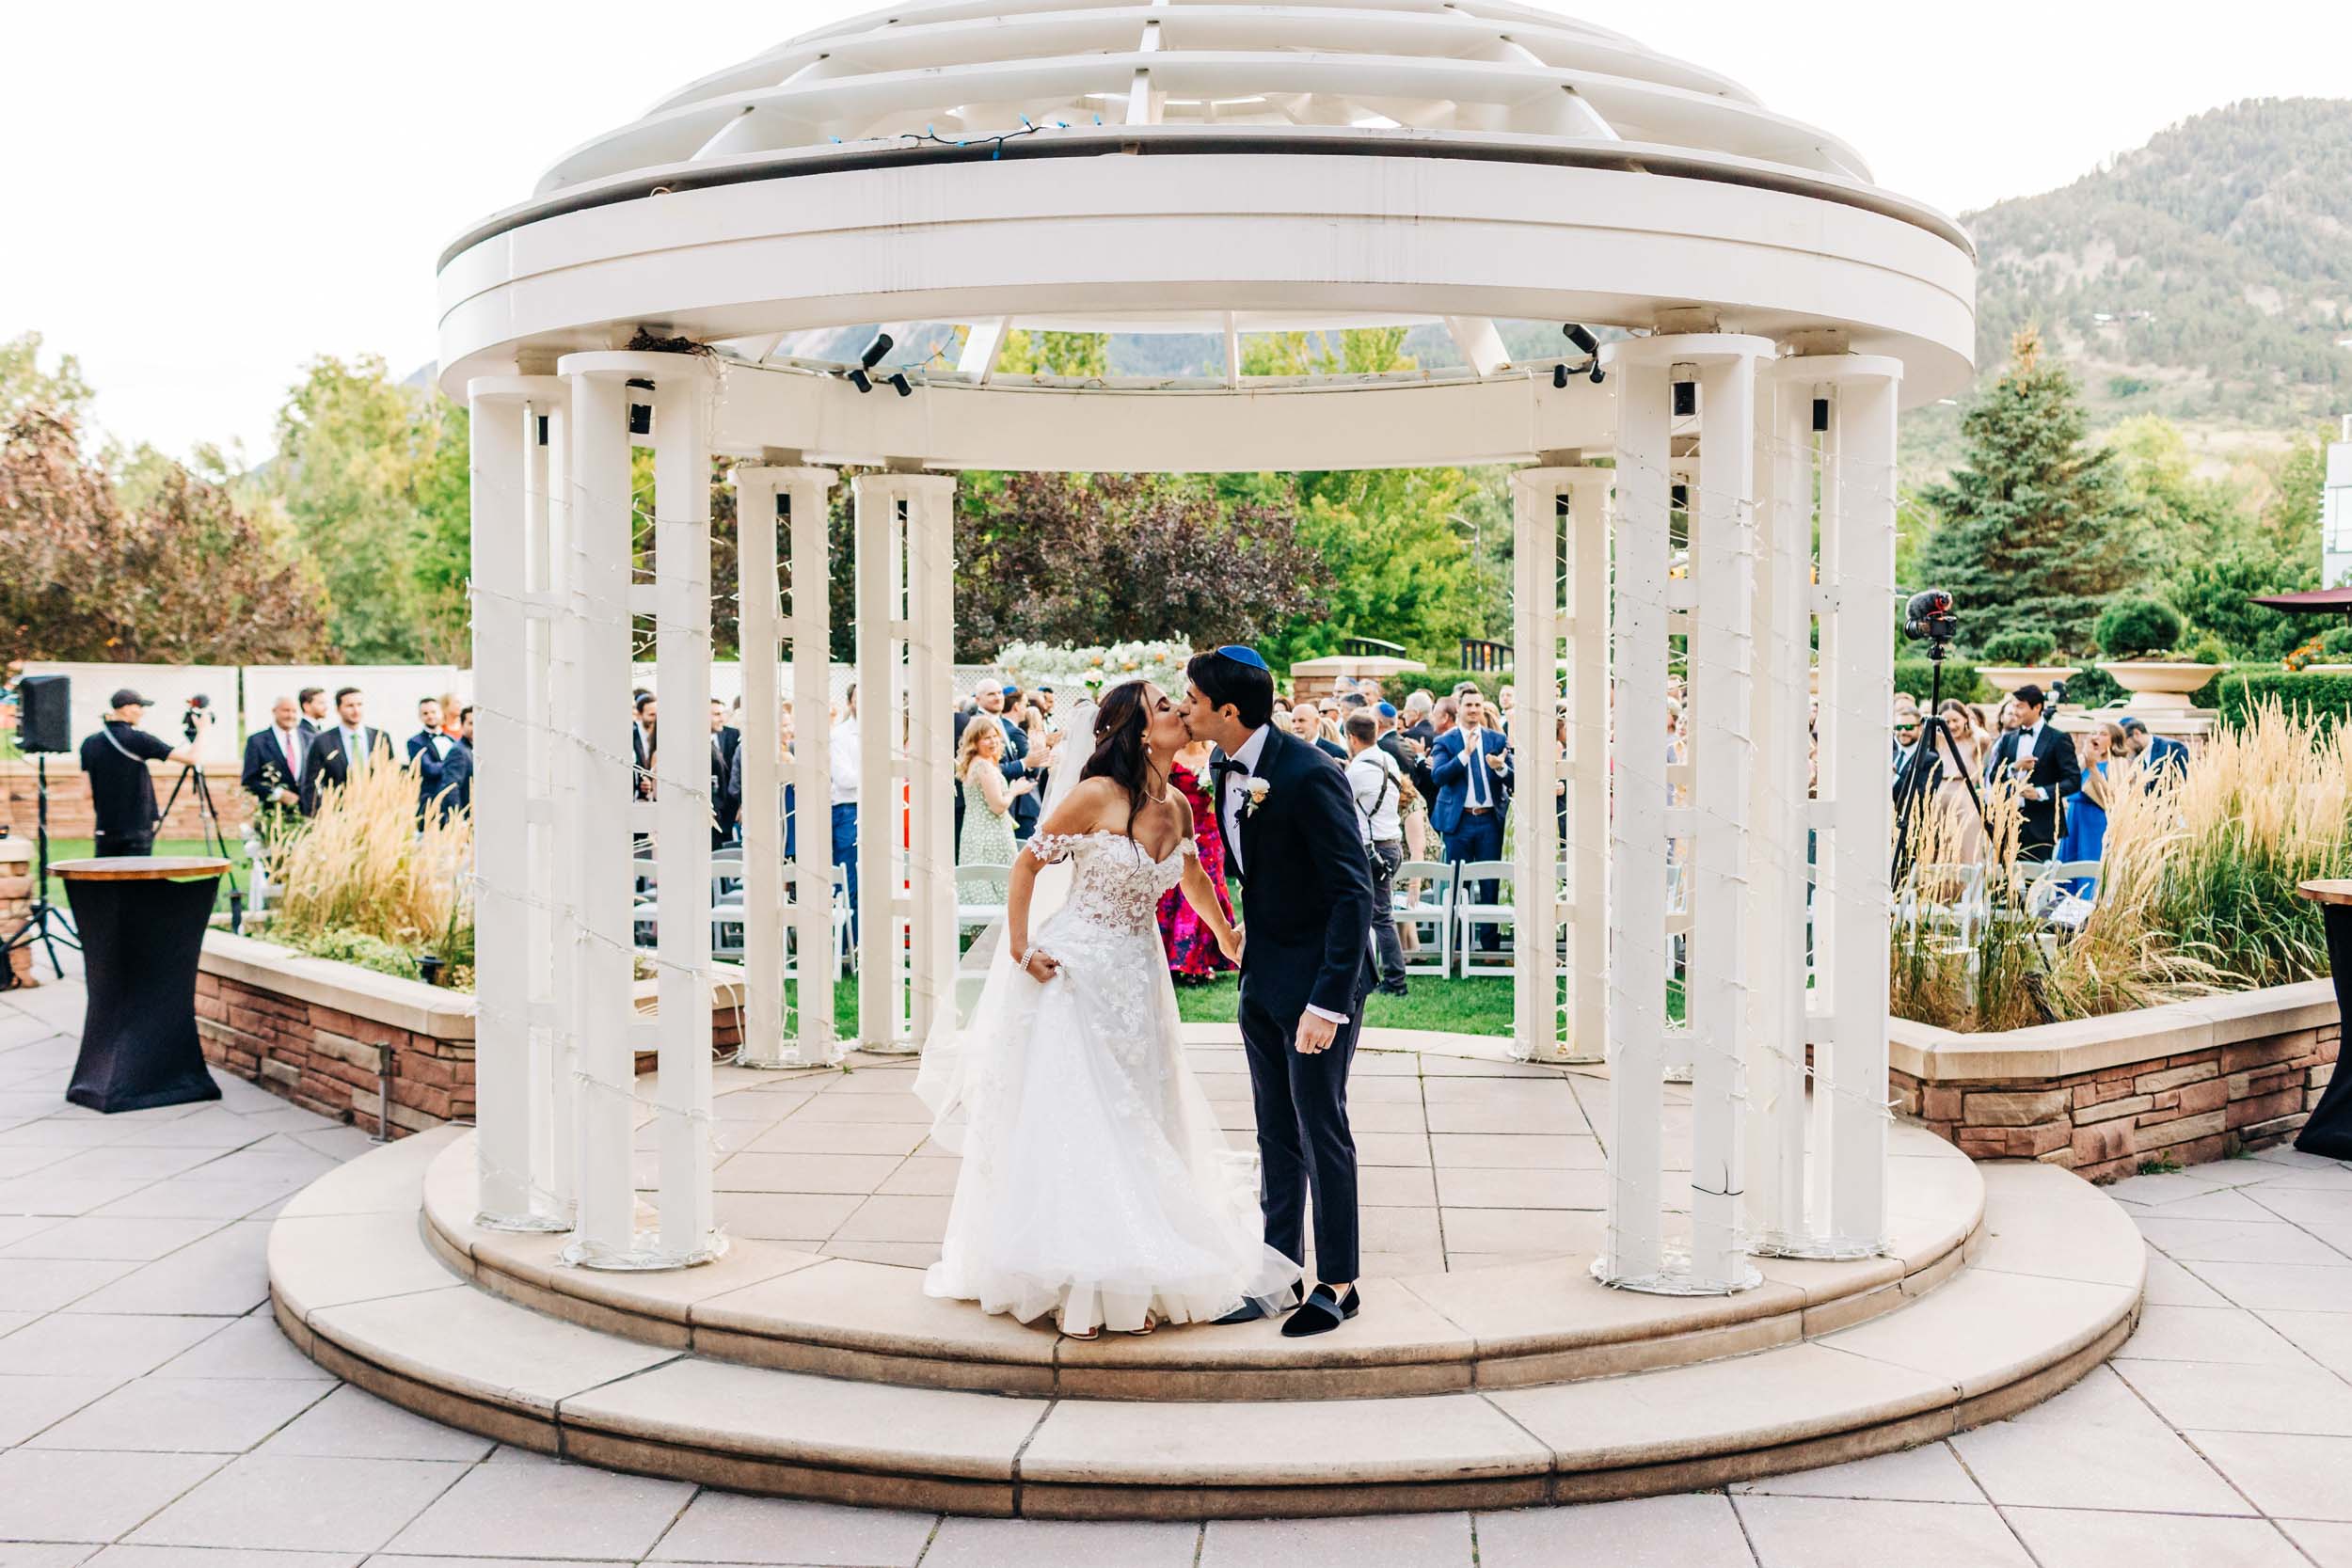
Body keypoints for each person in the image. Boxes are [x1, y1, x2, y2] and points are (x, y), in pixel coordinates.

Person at [914, 680, 1288, 1339]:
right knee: (1083, 1122)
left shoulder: (1176, 804)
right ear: (1141, 731)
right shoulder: (1095, 796)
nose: (1179, 709)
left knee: (1141, 1113)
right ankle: (1084, 1282)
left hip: (1141, 980)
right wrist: (1022, 946)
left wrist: (1227, 935)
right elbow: (1027, 866)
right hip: (1076, 974)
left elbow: (1195, 877)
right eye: (1165, 706)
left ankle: (1135, 1266)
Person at [1184, 645, 1375, 1338]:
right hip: (1262, 977)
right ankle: (1279, 1269)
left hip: (1321, 982)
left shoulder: (1310, 773)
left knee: (1321, 1125)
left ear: (1227, 710)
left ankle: (1339, 1283)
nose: (1187, 708)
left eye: (1194, 699)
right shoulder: (1220, 766)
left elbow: (1353, 892)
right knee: (1273, 1131)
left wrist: (1329, 1002)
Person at [1429, 689, 1512, 946]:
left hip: (1489, 820)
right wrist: (1464, 755)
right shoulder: (1446, 741)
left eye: (1477, 705)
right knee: (1456, 885)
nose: (1474, 709)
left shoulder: (1497, 739)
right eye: (1468, 705)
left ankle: (1490, 947)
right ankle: (1455, 946)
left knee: (1490, 883)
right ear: (1460, 709)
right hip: (1459, 821)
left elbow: (1515, 779)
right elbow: (1439, 776)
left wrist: (1500, 768)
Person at [81, 689, 206, 857]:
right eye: (139, 707)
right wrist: (203, 730)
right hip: (137, 827)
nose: (142, 712)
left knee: (106, 880)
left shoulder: (89, 743)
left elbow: (87, 792)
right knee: (137, 881)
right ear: (126, 709)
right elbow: (192, 758)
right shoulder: (139, 739)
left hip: (105, 828)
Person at [1155, 736, 1237, 985]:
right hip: (1178, 829)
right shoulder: (1171, 755)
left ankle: (1201, 961)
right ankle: (1174, 958)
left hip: (1210, 831)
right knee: (1176, 888)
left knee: (1209, 886)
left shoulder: (1215, 755)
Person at [1343, 711, 1410, 998]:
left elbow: (1342, 805)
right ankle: (1373, 974)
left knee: (1378, 916)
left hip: (1372, 850)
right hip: (1392, 844)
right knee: (1377, 914)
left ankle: (1395, 980)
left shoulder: (1357, 771)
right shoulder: (1388, 760)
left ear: (1351, 738)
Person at [1980, 684, 2078, 863]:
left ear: (2037, 707)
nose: (2014, 711)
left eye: (2020, 706)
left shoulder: (2058, 739)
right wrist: (2013, 767)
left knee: (2036, 884)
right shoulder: (2008, 739)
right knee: (2001, 885)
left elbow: (2073, 780)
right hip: (2006, 823)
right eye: (2013, 706)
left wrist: (2040, 793)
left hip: (2041, 825)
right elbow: (1993, 777)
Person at [955, 720, 1028, 885]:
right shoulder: (983, 767)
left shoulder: (977, 764)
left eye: (995, 736)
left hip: (975, 831)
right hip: (989, 836)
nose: (994, 741)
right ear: (974, 742)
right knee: (995, 883)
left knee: (977, 885)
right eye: (987, 738)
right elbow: (998, 806)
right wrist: (1015, 790)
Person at [2057, 721, 2126, 889]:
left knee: (2091, 863)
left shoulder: (2118, 763)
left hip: (2096, 820)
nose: (2096, 737)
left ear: (2114, 740)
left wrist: (2093, 768)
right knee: (2067, 865)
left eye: (2103, 734)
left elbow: (2113, 796)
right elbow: (2066, 782)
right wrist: (2085, 758)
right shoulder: (2082, 760)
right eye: (2094, 733)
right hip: (2074, 819)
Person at [299, 688, 386, 816]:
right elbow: (311, 784)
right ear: (338, 709)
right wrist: (320, 814)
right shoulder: (322, 741)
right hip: (338, 814)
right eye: (350, 706)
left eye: (359, 705)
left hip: (376, 812)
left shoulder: (380, 737)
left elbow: (390, 775)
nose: (356, 710)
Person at [241, 695, 310, 826]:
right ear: (274, 711)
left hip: (307, 815)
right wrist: (278, 794)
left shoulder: (310, 739)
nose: (290, 715)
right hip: (273, 816)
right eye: (286, 710)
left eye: (294, 711)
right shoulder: (257, 741)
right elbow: (249, 781)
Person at [832, 685, 862, 942]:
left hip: (879, 809)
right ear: (850, 703)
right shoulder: (840, 735)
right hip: (848, 811)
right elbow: (844, 779)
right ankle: (850, 944)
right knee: (850, 878)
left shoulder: (886, 733)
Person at [406, 697, 459, 823]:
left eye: (433, 712)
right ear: (420, 717)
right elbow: (429, 769)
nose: (430, 716)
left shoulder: (452, 740)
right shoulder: (415, 742)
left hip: (454, 798)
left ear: (441, 713)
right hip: (431, 798)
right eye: (425, 713)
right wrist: (453, 766)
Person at [709, 698, 742, 847]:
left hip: (731, 808)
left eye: (722, 713)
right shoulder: (693, 741)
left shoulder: (733, 735)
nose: (722, 718)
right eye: (716, 714)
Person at [2118, 717, 2189, 782]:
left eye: (2123, 742)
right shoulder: (2134, 755)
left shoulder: (2172, 748)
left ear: (2137, 734)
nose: (2123, 747)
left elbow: (2183, 780)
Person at [440, 706, 476, 818]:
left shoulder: (476, 749)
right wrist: (458, 818)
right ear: (462, 725)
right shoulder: (458, 751)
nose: (475, 728)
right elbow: (451, 787)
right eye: (471, 723)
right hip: (464, 817)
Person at [631, 692, 658, 800]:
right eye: (651, 715)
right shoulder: (631, 735)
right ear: (640, 714)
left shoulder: (663, 734)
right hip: (637, 798)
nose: (656, 718)